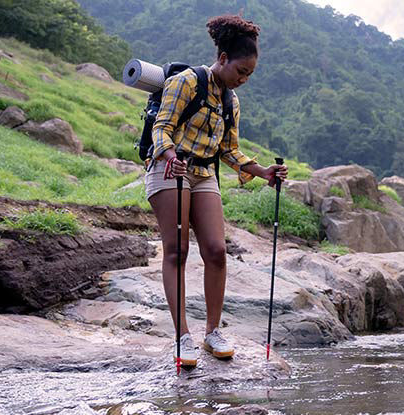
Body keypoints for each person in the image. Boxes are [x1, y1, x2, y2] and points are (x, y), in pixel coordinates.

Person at [145, 14, 288, 367]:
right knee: (176, 250)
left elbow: (229, 150)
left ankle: (212, 332)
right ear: (222, 58)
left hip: (204, 174)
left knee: (216, 250)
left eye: (249, 75)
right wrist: (168, 154)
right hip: (169, 169)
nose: (244, 79)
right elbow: (161, 128)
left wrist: (263, 172)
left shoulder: (231, 101)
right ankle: (182, 337)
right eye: (241, 71)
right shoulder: (186, 82)